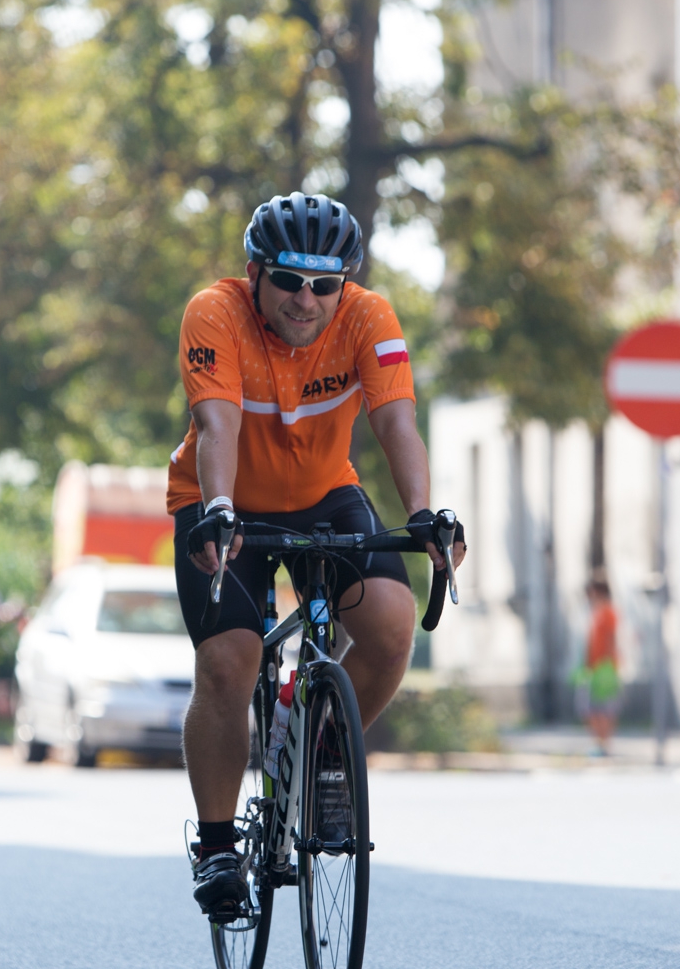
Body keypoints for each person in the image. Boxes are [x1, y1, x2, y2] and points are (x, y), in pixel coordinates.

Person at [170, 192, 466, 916]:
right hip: (222, 497)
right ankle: (216, 845)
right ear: (254, 273)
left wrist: (423, 516)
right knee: (228, 660)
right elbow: (217, 425)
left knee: (393, 626)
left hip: (324, 491)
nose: (307, 299)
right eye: (289, 281)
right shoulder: (215, 312)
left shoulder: (370, 316)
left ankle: (322, 759)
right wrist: (217, 512)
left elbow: (398, 423)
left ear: (345, 283)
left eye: (324, 284)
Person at [576, 575, 621, 756]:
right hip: (592, 669)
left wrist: (608, 666)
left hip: (604, 669)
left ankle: (604, 744)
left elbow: (611, 640)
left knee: (604, 709)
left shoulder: (608, 612)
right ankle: (599, 742)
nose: (589, 596)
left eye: (592, 592)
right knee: (589, 709)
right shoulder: (594, 613)